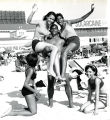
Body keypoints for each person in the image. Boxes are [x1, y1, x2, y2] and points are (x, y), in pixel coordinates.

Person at [55, 4, 95, 79]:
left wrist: (91, 11)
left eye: (60, 18)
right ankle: (61, 74)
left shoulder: (68, 23)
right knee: (60, 56)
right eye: (57, 20)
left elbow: (81, 18)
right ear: (56, 22)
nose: (59, 20)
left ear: (63, 18)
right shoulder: (60, 32)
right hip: (69, 43)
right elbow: (63, 43)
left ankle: (62, 76)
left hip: (74, 40)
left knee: (65, 53)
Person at [24, 3, 58, 77]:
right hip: (36, 43)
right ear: (47, 17)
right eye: (50, 18)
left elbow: (46, 41)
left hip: (39, 47)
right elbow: (29, 21)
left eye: (53, 19)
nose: (51, 20)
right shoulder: (40, 22)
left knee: (53, 54)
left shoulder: (49, 30)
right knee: (55, 48)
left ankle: (55, 73)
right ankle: (50, 69)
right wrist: (33, 11)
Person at [1, 53, 40, 117]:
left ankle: (14, 111)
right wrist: (35, 91)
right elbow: (26, 84)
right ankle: (9, 113)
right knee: (33, 112)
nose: (38, 60)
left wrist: (35, 90)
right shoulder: (30, 70)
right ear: (34, 61)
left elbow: (33, 81)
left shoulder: (31, 68)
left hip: (31, 88)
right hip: (28, 90)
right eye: (37, 60)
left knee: (32, 109)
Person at [44, 24, 73, 108]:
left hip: (61, 61)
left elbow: (69, 50)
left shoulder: (63, 39)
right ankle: (50, 103)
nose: (54, 30)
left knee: (66, 82)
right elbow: (43, 52)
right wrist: (46, 53)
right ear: (50, 29)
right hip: (51, 62)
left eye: (55, 28)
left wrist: (69, 53)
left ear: (58, 30)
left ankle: (71, 102)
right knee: (50, 82)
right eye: (52, 28)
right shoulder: (47, 40)